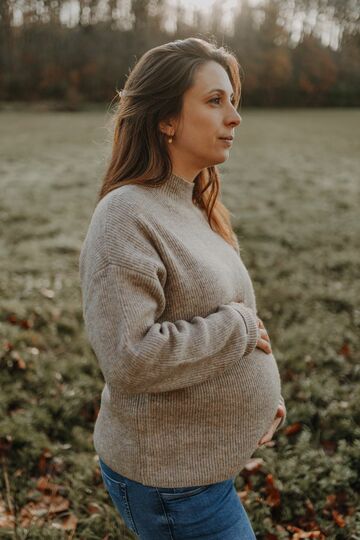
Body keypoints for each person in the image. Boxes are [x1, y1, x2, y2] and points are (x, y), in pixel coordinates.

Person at [79, 36, 286, 540]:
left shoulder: (195, 201)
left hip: (196, 471)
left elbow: (221, 311)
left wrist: (259, 398)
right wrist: (236, 331)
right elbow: (130, 357)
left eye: (232, 101)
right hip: (170, 483)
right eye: (215, 101)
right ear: (166, 118)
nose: (234, 117)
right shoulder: (126, 215)